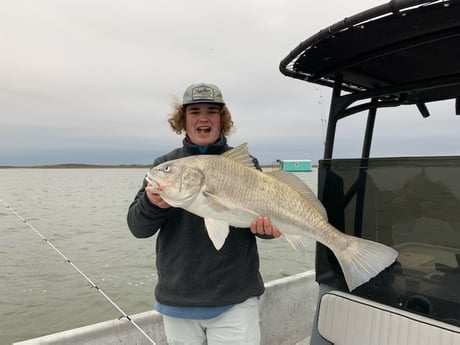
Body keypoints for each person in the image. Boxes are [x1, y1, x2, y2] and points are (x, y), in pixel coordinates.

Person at [127, 82, 281, 345]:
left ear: (222, 120)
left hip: (236, 299)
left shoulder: (246, 164)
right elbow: (138, 228)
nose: (203, 118)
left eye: (212, 111)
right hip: (178, 300)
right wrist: (154, 204)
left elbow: (258, 221)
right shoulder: (164, 166)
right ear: (183, 120)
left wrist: (269, 230)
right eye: (194, 111)